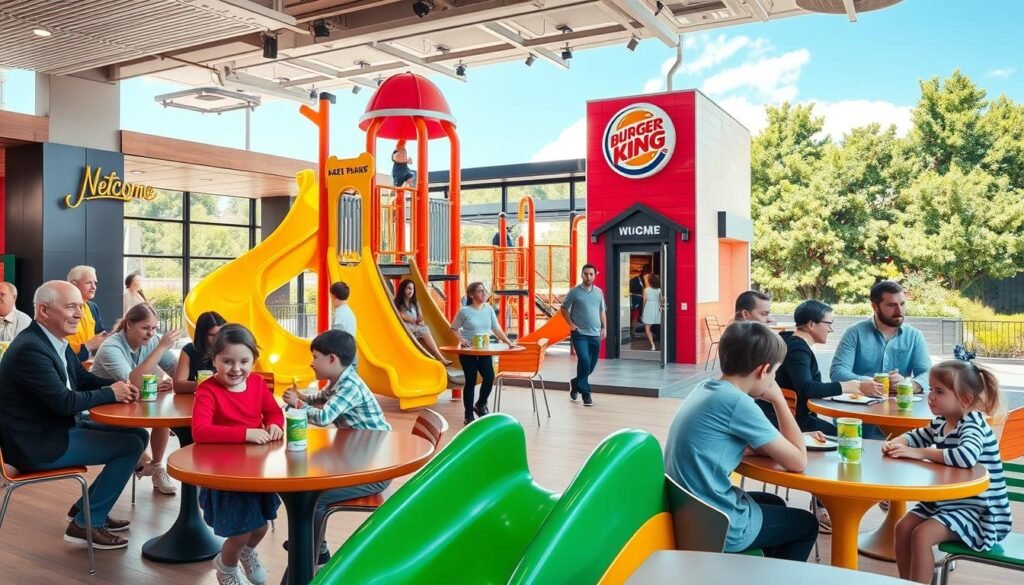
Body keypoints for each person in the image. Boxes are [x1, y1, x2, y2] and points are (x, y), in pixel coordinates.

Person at [0, 281, 145, 550]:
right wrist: (111, 393)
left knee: (137, 434)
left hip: (56, 430)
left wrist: (121, 385)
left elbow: (84, 380)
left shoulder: (56, 342)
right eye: (71, 307)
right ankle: (86, 524)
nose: (80, 313)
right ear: (43, 310)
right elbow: (65, 403)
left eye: (80, 306)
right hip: (38, 445)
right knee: (130, 445)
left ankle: (85, 510)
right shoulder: (31, 349)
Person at [664, 321, 819, 561]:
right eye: (775, 372)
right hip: (718, 522)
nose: (773, 380)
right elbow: (798, 461)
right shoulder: (738, 403)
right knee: (807, 525)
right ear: (763, 370)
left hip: (690, 513)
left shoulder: (708, 388)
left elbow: (766, 447)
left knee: (774, 502)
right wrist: (779, 399)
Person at [886, 357, 1011, 583]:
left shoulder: (973, 424)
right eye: (931, 389)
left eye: (940, 391)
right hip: (948, 502)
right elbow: (917, 436)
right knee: (903, 528)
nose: (930, 396)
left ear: (965, 399)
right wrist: (899, 443)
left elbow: (965, 456)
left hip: (979, 512)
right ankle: (906, 581)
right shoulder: (943, 421)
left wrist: (922, 453)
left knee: (921, 535)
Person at [281, 330, 391, 567]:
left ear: (331, 359)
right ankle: (314, 544)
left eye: (315, 357)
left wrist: (297, 404)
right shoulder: (340, 380)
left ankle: (312, 550)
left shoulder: (349, 385)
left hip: (375, 469)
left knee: (318, 497)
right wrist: (302, 396)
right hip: (361, 457)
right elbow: (320, 398)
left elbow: (323, 417)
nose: (311, 363)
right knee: (315, 481)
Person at [193, 324, 284, 585]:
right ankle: (226, 568)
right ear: (214, 361)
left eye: (244, 361)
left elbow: (274, 412)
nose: (236, 368)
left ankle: (246, 553)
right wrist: (246, 433)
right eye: (227, 361)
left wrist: (276, 424)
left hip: (255, 471)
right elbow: (201, 431)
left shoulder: (256, 383)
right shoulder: (208, 390)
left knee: (261, 526)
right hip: (225, 475)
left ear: (254, 360)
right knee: (241, 532)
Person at [90, 303, 182, 496]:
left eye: (154, 328)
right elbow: (133, 382)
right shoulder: (111, 347)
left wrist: (176, 382)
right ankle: (145, 464)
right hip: (103, 410)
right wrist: (161, 347)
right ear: (129, 325)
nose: (151, 334)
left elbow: (177, 372)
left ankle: (156, 467)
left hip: (130, 404)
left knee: (162, 415)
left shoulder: (153, 341)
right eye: (146, 328)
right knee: (139, 436)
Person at [830, 280, 931, 394]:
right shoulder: (854, 333)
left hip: (900, 405)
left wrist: (909, 385)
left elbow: (928, 373)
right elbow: (837, 372)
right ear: (875, 307)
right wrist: (871, 382)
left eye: (902, 304)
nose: (899, 310)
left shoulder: (914, 336)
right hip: (861, 404)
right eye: (891, 305)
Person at [452, 281, 517, 425]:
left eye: (484, 290)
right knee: (471, 380)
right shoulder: (464, 311)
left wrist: (508, 342)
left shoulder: (489, 309)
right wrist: (461, 340)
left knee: (489, 377)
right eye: (480, 291)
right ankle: (468, 415)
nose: (483, 293)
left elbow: (496, 328)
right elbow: (453, 329)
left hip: (484, 350)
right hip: (468, 351)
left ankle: (480, 404)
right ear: (472, 295)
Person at [561, 264, 606, 407]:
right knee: (584, 360)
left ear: (595, 275)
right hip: (579, 334)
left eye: (591, 274)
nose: (588, 276)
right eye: (586, 274)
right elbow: (563, 308)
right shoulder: (574, 292)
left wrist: (604, 327)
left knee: (590, 366)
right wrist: (571, 324)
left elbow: (601, 311)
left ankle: (575, 383)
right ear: (582, 275)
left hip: (595, 333)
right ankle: (586, 393)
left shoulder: (598, 292)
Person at [395, 278, 451, 366]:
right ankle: (440, 358)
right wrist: (413, 319)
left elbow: (420, 317)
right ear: (403, 289)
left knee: (424, 328)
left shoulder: (415, 303)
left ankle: (438, 357)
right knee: (424, 329)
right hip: (405, 328)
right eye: (408, 288)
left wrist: (417, 319)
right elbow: (399, 316)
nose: (411, 291)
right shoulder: (397, 303)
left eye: (412, 289)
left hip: (415, 327)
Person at [173, 311, 226, 394]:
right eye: (212, 335)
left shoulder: (230, 349)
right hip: (197, 400)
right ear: (202, 335)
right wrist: (207, 385)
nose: (217, 338)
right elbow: (178, 386)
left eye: (221, 334)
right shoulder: (190, 350)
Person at [66, 265, 111, 362]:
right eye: (88, 283)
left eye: (94, 283)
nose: (94, 287)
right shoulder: (61, 310)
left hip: (91, 366)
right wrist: (89, 346)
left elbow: (100, 334)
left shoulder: (92, 307)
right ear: (74, 284)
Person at [641, 273, 662, 351]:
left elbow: (644, 301)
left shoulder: (645, 289)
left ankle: (653, 345)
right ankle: (663, 343)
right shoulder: (659, 289)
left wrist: (643, 311)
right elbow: (661, 300)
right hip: (657, 307)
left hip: (648, 307)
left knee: (647, 328)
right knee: (661, 325)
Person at [629, 266, 650, 338]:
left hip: (641, 301)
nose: (646, 275)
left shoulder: (647, 281)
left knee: (636, 315)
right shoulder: (635, 280)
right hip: (635, 300)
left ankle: (632, 331)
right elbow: (631, 290)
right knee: (634, 315)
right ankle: (632, 331)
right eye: (645, 273)